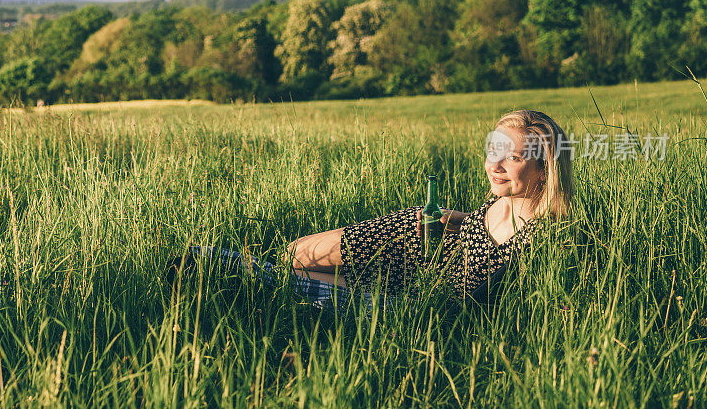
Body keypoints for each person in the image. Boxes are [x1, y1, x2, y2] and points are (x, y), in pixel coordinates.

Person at [168, 110, 574, 308]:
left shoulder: (545, 237)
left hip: (411, 302)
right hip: (409, 245)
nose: (494, 165)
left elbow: (487, 300)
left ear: (544, 168)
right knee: (295, 253)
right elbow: (483, 233)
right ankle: (213, 269)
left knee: (294, 280)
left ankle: (207, 269)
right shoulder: (502, 198)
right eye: (493, 151)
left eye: (513, 158)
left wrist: (420, 306)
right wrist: (455, 219)